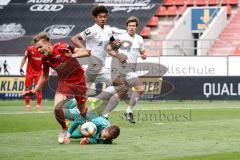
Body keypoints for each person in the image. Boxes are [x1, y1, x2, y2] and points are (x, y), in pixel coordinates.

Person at [21, 32, 91, 144]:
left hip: (79, 82)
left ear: (48, 44)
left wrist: (72, 55)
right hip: (64, 83)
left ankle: (87, 126)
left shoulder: (62, 47)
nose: (38, 50)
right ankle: (64, 128)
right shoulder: (45, 59)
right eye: (36, 48)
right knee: (57, 108)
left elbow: (87, 52)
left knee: (82, 111)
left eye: (40, 47)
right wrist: (34, 90)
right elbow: (44, 76)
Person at [71, 6, 124, 118]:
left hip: (99, 66)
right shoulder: (92, 30)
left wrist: (117, 44)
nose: (103, 19)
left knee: (83, 95)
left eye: (104, 16)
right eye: (100, 17)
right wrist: (85, 51)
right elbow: (74, 39)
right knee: (121, 84)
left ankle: (93, 107)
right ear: (95, 18)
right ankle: (94, 106)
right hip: (93, 65)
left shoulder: (108, 30)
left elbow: (113, 45)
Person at [106, 16, 147, 123]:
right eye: (129, 26)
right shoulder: (121, 37)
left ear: (136, 27)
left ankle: (127, 111)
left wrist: (144, 55)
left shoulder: (139, 39)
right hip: (119, 68)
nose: (131, 27)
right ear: (127, 27)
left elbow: (143, 52)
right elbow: (109, 49)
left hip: (131, 70)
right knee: (122, 91)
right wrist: (118, 55)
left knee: (139, 89)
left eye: (133, 26)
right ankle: (105, 113)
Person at [20, 35, 44, 112]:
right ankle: (27, 106)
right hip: (29, 72)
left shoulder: (43, 51)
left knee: (39, 89)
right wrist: (21, 68)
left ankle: (38, 106)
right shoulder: (30, 49)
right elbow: (24, 58)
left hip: (39, 73)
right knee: (27, 89)